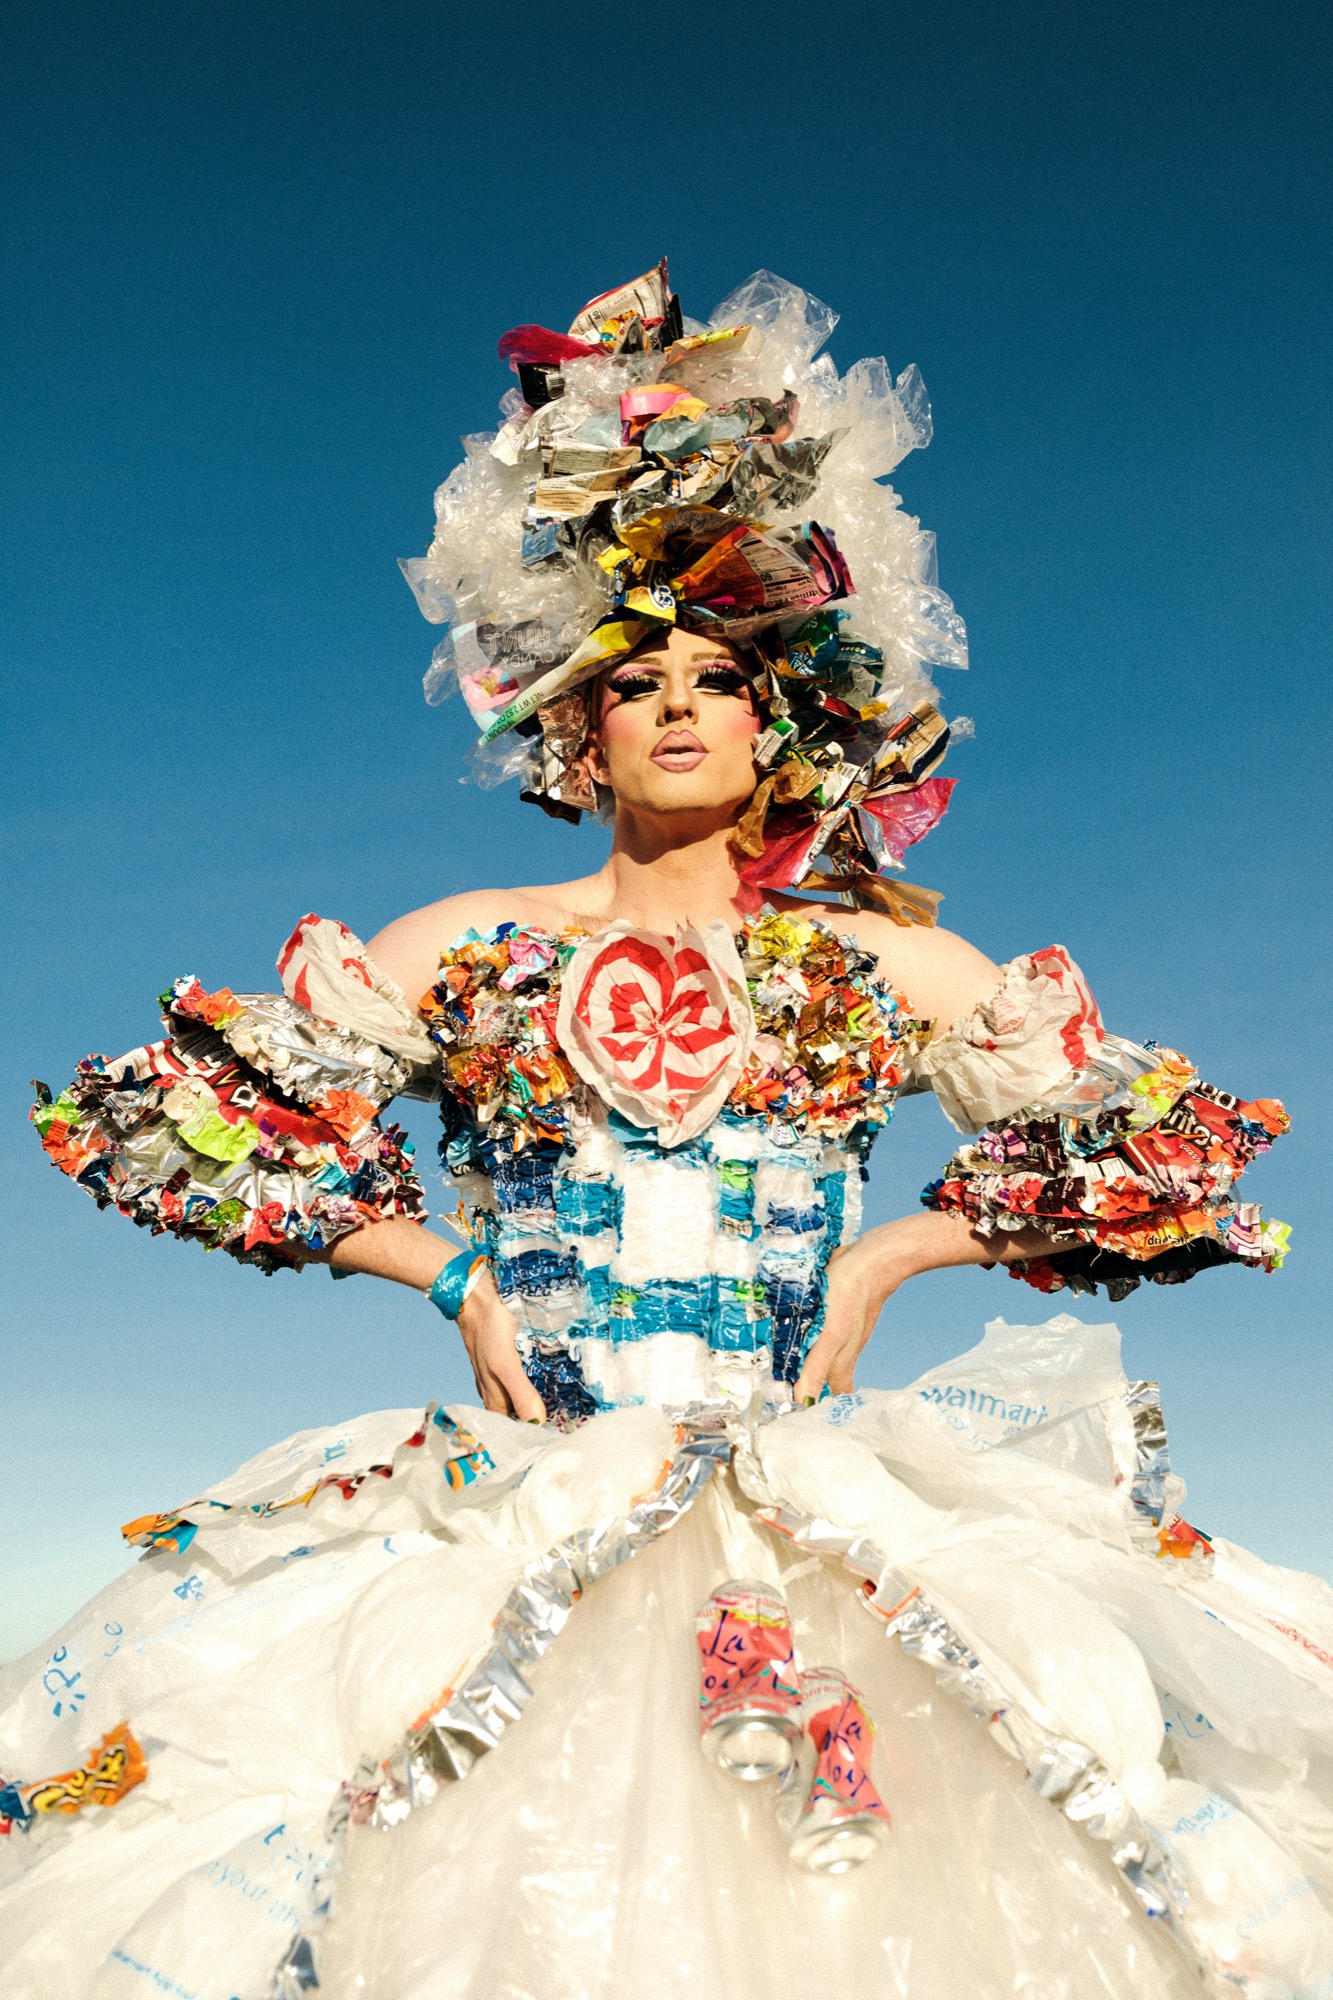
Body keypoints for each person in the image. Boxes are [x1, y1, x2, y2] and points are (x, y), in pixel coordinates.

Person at [4, 264, 1328, 2000]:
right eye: (643, 680)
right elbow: (194, 1127)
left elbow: (1154, 1145)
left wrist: (894, 1251)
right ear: (580, 720)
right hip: (517, 1493)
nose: (682, 704)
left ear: (788, 722)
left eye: (723, 676)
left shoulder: (881, 960)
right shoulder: (472, 942)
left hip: (812, 1483)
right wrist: (450, 1274)